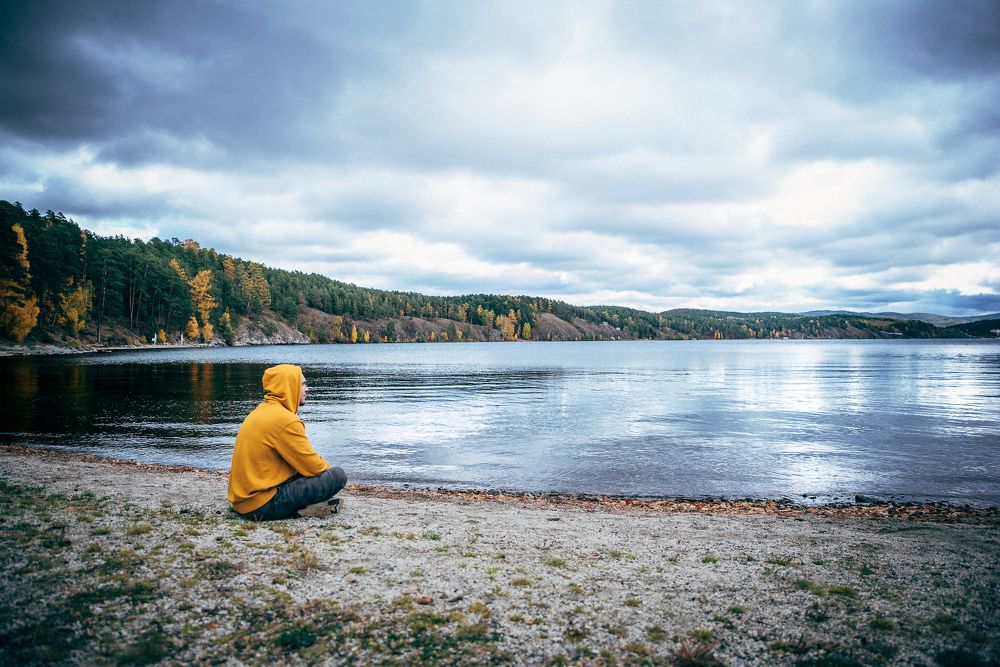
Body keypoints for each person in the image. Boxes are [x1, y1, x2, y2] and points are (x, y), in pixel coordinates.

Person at [227, 364, 346, 520]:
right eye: (303, 384)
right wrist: (328, 473)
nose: (307, 389)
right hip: (260, 506)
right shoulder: (285, 420)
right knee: (338, 475)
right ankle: (307, 509)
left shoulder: (260, 411)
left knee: (302, 472)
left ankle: (307, 507)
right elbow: (313, 466)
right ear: (289, 386)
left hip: (241, 502)